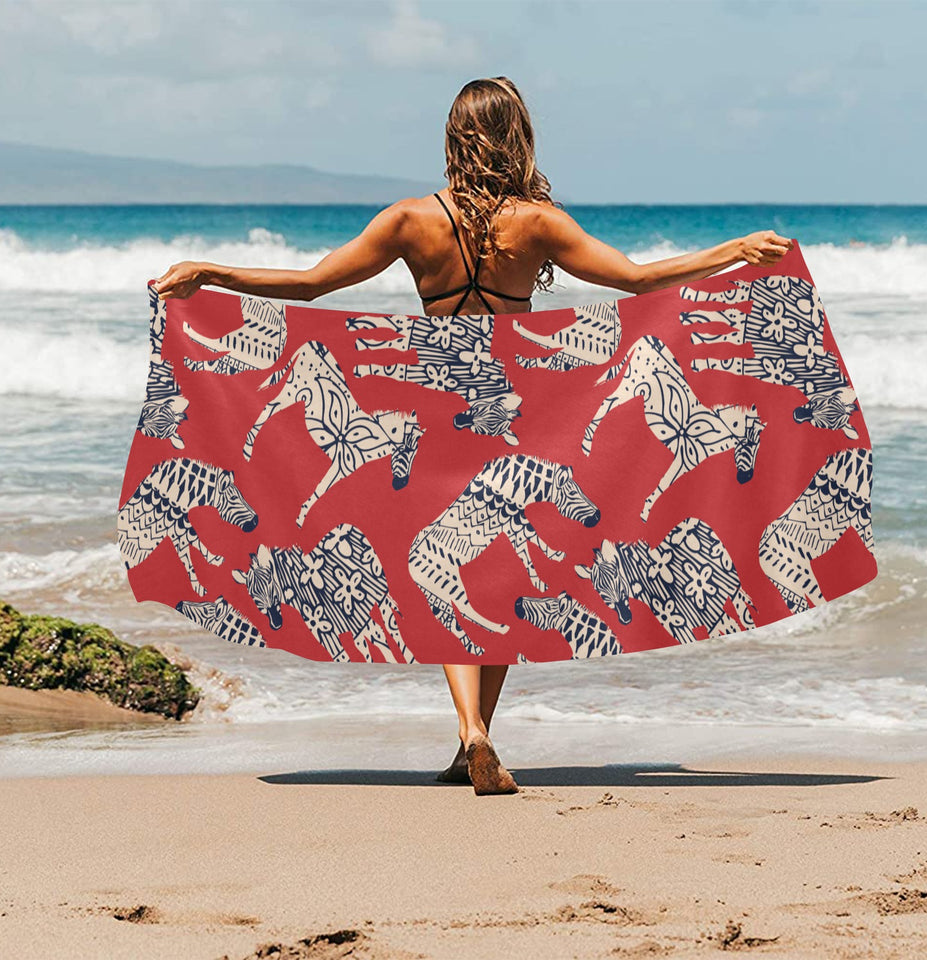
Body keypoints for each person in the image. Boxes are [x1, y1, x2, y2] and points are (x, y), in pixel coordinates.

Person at [153, 76, 793, 796]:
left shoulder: (408, 220)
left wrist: (210, 272)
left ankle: (471, 737)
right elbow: (638, 282)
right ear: (517, 137)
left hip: (434, 409)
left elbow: (310, 286)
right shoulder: (538, 223)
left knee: (442, 567)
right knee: (494, 570)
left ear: (455, 137)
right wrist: (733, 250)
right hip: (518, 405)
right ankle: (477, 734)